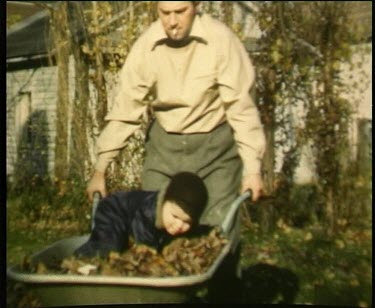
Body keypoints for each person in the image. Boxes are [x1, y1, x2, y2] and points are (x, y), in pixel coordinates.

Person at [86, 2, 265, 297]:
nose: (171, 21)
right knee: (154, 230)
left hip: (215, 148)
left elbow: (241, 109)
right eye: (164, 12)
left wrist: (253, 168)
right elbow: (125, 111)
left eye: (180, 11)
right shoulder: (146, 47)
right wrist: (100, 168)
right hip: (165, 145)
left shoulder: (221, 41)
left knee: (217, 236)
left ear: (196, 7)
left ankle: (223, 297)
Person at [76, 172, 208, 258]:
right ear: (163, 203)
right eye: (175, 217)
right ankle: (78, 260)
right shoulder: (148, 213)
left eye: (187, 222)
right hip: (115, 210)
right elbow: (144, 248)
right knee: (108, 247)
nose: (179, 225)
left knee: (121, 247)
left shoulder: (171, 215)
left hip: (130, 220)